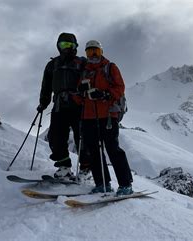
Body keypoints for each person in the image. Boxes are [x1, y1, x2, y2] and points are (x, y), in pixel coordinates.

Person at [77, 39, 133, 196]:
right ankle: (102, 183)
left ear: (101, 52)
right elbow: (79, 98)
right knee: (93, 151)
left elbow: (120, 87)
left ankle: (125, 184)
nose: (93, 55)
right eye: (90, 52)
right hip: (88, 116)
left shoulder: (110, 67)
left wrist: (105, 94)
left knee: (113, 149)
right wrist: (80, 92)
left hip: (108, 115)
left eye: (96, 51)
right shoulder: (84, 72)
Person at [37, 32, 91, 179]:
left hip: (79, 104)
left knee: (83, 137)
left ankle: (86, 167)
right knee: (55, 136)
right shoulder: (52, 65)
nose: (66, 48)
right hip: (60, 105)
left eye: (70, 45)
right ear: (58, 46)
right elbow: (46, 86)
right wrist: (43, 102)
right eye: (63, 45)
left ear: (75, 46)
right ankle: (64, 166)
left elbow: (92, 79)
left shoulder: (82, 63)